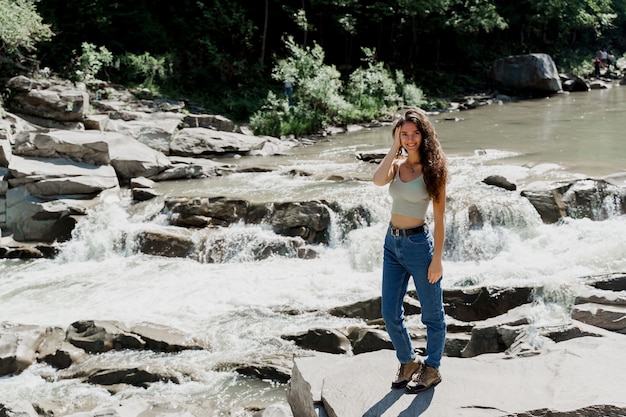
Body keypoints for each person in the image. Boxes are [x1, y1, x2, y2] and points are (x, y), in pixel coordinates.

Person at [372, 107, 448, 394]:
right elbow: (377, 180)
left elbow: (440, 219)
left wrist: (437, 259)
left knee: (432, 314)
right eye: (404, 134)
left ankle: (432, 368)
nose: (410, 138)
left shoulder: (434, 169)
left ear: (424, 134)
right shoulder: (398, 165)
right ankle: (408, 361)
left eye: (415, 133)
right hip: (392, 244)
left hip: (419, 246)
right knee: (389, 312)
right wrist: (394, 146)